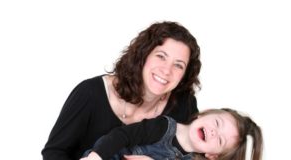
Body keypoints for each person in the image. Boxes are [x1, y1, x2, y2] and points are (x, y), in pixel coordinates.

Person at [42, 21, 202, 160]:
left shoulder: (184, 105)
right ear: (143, 55)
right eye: (161, 56)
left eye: (178, 65)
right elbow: (54, 152)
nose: (167, 70)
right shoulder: (90, 93)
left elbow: (200, 155)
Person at [80, 108, 263, 160]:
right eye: (217, 123)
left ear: (212, 156)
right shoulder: (164, 127)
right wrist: (96, 156)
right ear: (204, 114)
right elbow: (122, 135)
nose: (214, 132)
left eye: (220, 140)